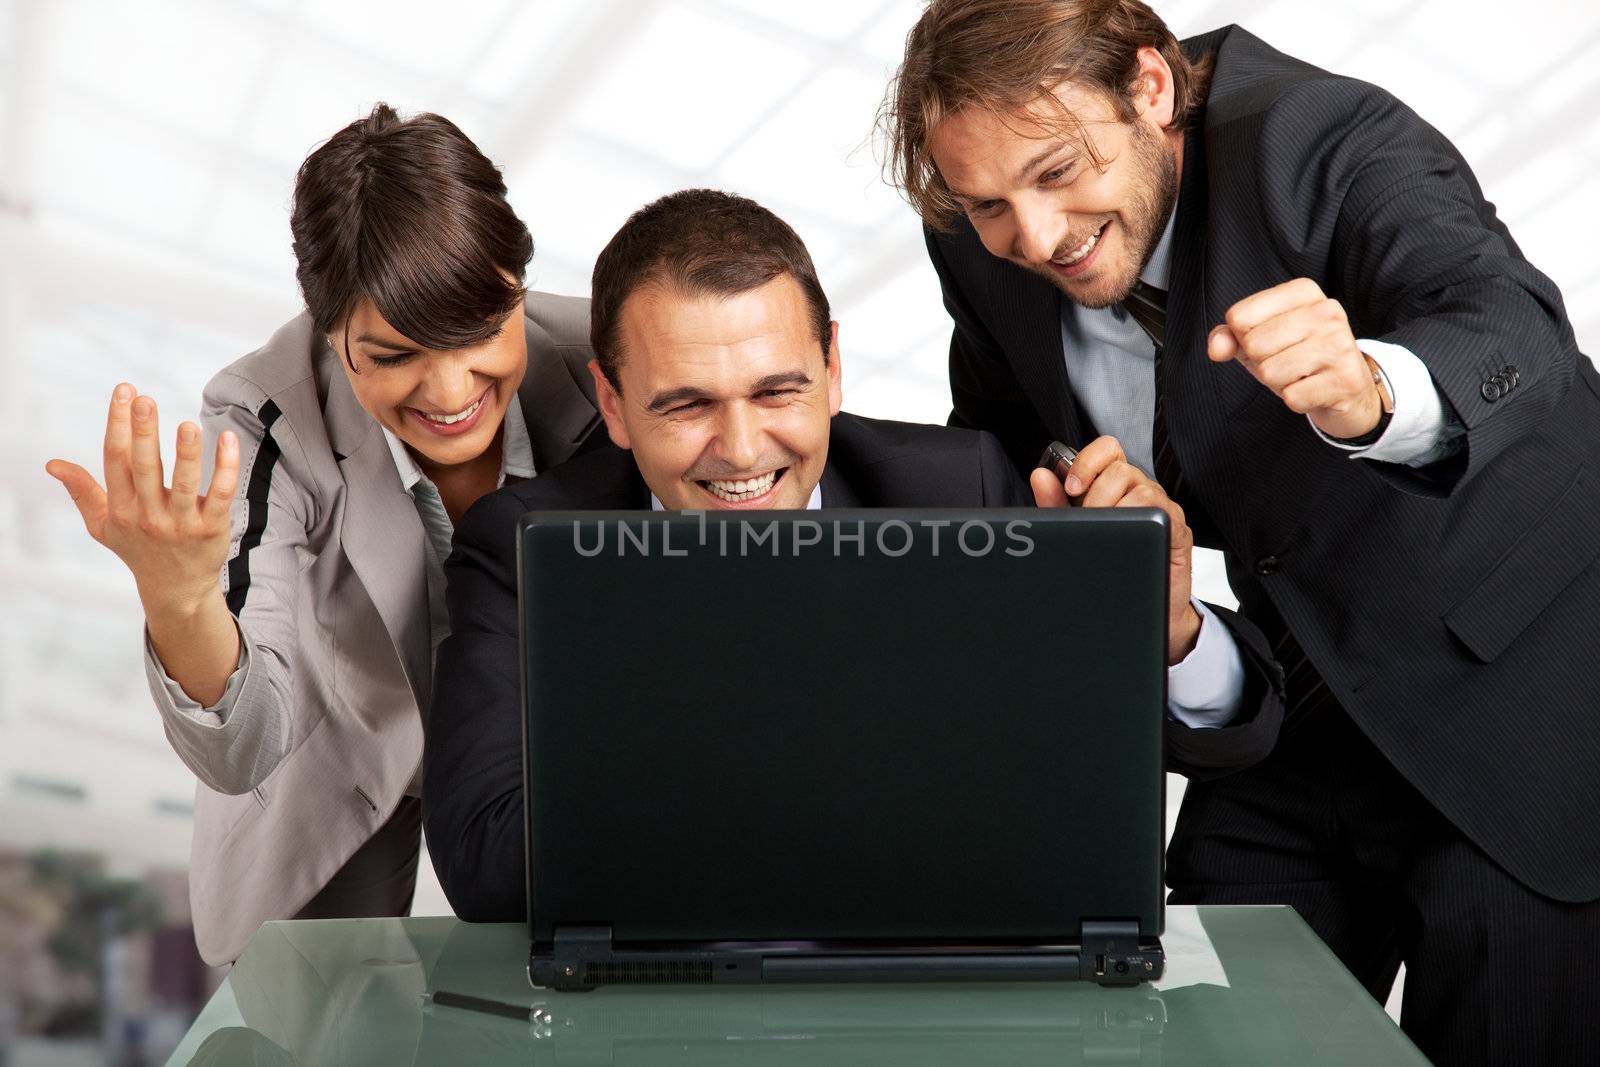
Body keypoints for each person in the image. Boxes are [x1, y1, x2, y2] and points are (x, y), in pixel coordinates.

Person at [879, 3, 1600, 1064]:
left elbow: (1508, 324)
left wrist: (1370, 389)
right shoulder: (977, 241)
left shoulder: (1322, 136)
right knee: (1197, 1028)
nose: (1033, 237)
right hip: (1299, 680)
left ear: (1152, 90)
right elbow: (994, 445)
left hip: (1519, 677)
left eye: (1057, 170)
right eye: (989, 202)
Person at [423, 188, 1285, 922]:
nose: (741, 447)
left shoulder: (964, 487)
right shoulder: (521, 542)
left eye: (777, 390)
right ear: (612, 405)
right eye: (686, 405)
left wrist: (1166, 629)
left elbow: (1190, 751)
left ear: (832, 368)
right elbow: (487, 863)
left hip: (933, 974)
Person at [44, 105, 604, 966]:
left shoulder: (611, 355)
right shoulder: (264, 419)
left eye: (483, 330)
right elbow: (245, 742)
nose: (452, 389)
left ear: (518, 283)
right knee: (319, 1022)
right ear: (327, 331)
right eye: (392, 356)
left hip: (557, 741)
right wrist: (181, 600)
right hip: (347, 748)